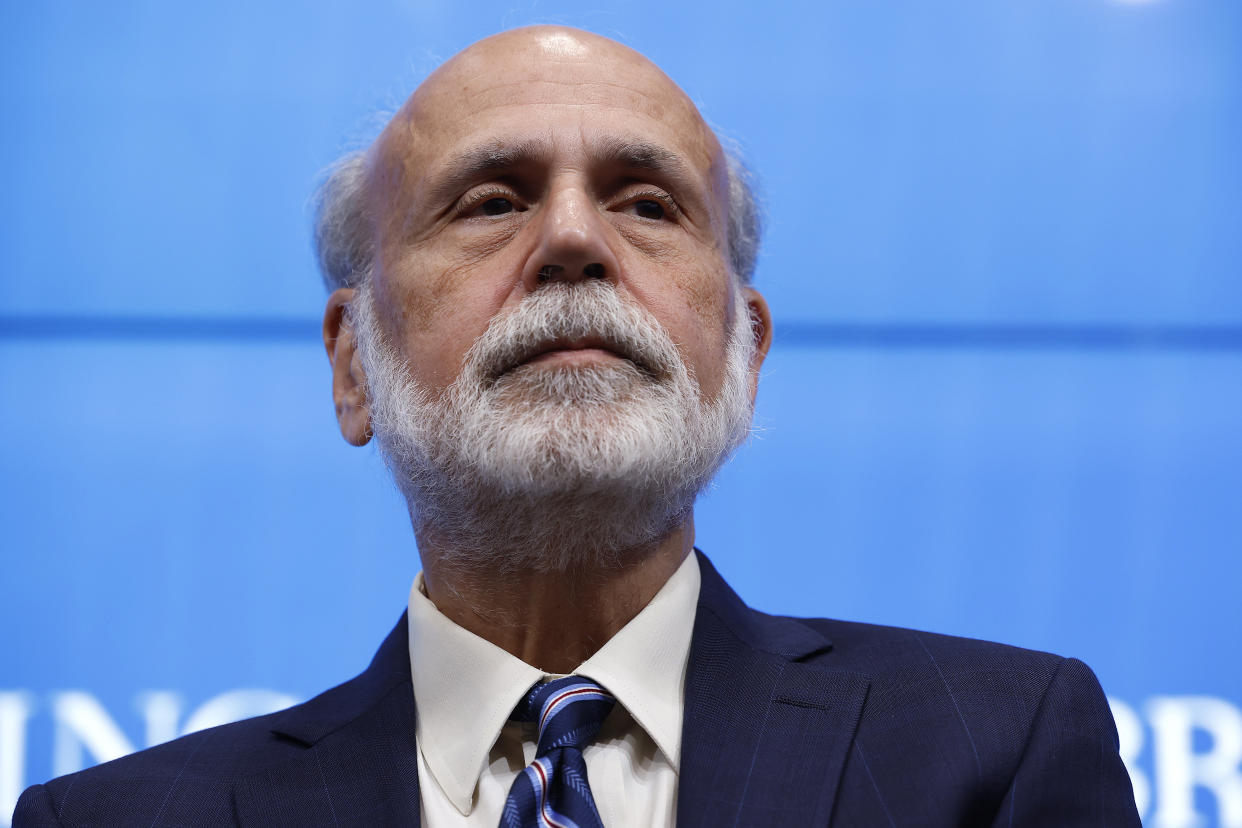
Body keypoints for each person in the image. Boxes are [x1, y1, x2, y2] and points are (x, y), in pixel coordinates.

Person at [14, 25, 1140, 827]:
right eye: (492, 200)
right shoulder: (116, 817)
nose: (571, 239)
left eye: (647, 205)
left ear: (743, 354)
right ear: (353, 361)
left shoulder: (996, 750)